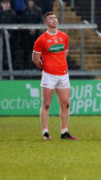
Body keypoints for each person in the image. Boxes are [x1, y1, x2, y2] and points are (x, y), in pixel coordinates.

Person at [32, 12, 78, 140]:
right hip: (49, 75)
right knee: (46, 104)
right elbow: (35, 59)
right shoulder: (41, 39)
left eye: (55, 18)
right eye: (51, 18)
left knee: (66, 103)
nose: (54, 20)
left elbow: (65, 53)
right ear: (46, 22)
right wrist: (45, 67)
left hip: (63, 74)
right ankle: (45, 132)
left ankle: (64, 132)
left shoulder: (64, 36)